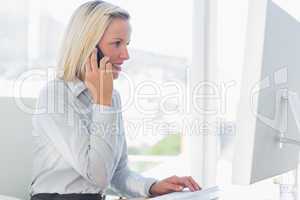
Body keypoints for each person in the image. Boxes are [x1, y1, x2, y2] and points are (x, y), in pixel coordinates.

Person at [29, 1, 201, 200]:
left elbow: (117, 173)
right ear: (89, 47)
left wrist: (152, 186)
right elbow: (99, 176)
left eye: (126, 44)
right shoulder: (56, 95)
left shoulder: (111, 96)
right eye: (116, 43)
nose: (125, 55)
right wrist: (103, 103)